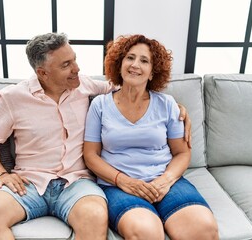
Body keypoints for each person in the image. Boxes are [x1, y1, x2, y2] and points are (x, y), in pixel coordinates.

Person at [0, 32, 192, 240]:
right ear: (43, 73)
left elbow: (132, 88)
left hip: (76, 183)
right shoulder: (13, 98)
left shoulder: (84, 85)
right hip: (30, 182)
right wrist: (0, 174)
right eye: (66, 65)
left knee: (94, 215)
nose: (76, 68)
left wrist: (176, 108)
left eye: (74, 60)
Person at [83, 34, 219, 240]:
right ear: (119, 64)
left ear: (152, 72)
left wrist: (166, 180)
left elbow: (182, 153)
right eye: (130, 58)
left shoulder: (167, 104)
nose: (135, 65)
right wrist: (123, 181)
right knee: (146, 232)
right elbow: (91, 155)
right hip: (118, 185)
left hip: (165, 181)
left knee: (203, 229)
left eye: (144, 61)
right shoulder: (100, 105)